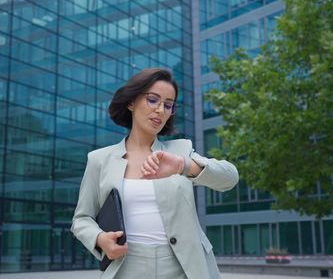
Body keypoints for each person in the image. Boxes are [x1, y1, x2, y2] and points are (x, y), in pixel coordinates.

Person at [71, 68, 239, 279]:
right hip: (126, 266)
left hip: (183, 266)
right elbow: (82, 218)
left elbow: (230, 178)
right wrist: (100, 239)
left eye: (168, 105)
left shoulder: (180, 151)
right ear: (131, 103)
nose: (161, 110)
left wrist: (183, 166)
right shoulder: (99, 160)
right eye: (153, 100)